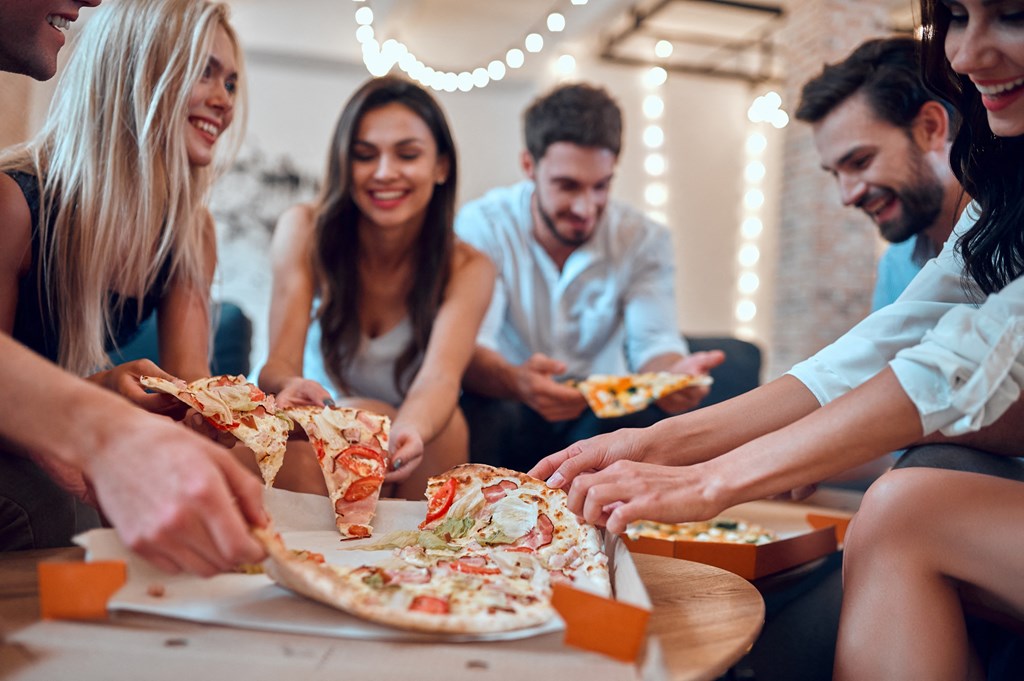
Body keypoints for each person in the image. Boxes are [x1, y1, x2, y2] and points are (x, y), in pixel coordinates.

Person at [532, 0, 1024, 676]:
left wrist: (713, 480)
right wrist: (650, 443)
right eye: (955, 18)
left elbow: (964, 367)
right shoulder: (996, 209)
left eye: (1014, 14)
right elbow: (866, 356)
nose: (965, 54)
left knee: (902, 505)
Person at [0, 0, 267, 575]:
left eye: (232, 81)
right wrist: (102, 400)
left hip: (64, 434)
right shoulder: (15, 205)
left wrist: (263, 415)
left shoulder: (191, 232)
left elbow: (199, 395)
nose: (224, 99)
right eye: (204, 70)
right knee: (53, 508)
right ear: (137, 69)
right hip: (17, 450)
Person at [455, 82, 723, 472]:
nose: (586, 207)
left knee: (646, 427)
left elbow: (654, 342)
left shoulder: (644, 239)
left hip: (599, 415)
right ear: (529, 165)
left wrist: (672, 376)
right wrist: (517, 381)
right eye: (567, 186)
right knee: (479, 410)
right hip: (507, 403)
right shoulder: (483, 225)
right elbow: (472, 346)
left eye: (601, 186)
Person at [258, 76, 494, 500]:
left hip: (424, 437)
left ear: (441, 166)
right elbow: (278, 365)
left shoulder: (469, 266)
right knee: (357, 416)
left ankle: (426, 558)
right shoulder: (304, 229)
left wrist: (406, 430)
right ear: (344, 165)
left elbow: (440, 377)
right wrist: (291, 386)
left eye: (407, 155)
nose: (385, 173)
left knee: (449, 423)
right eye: (365, 156)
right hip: (321, 432)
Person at [795, 36, 970, 311]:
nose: (847, 196)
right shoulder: (895, 265)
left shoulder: (1013, 243)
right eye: (835, 174)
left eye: (861, 161)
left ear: (930, 127)